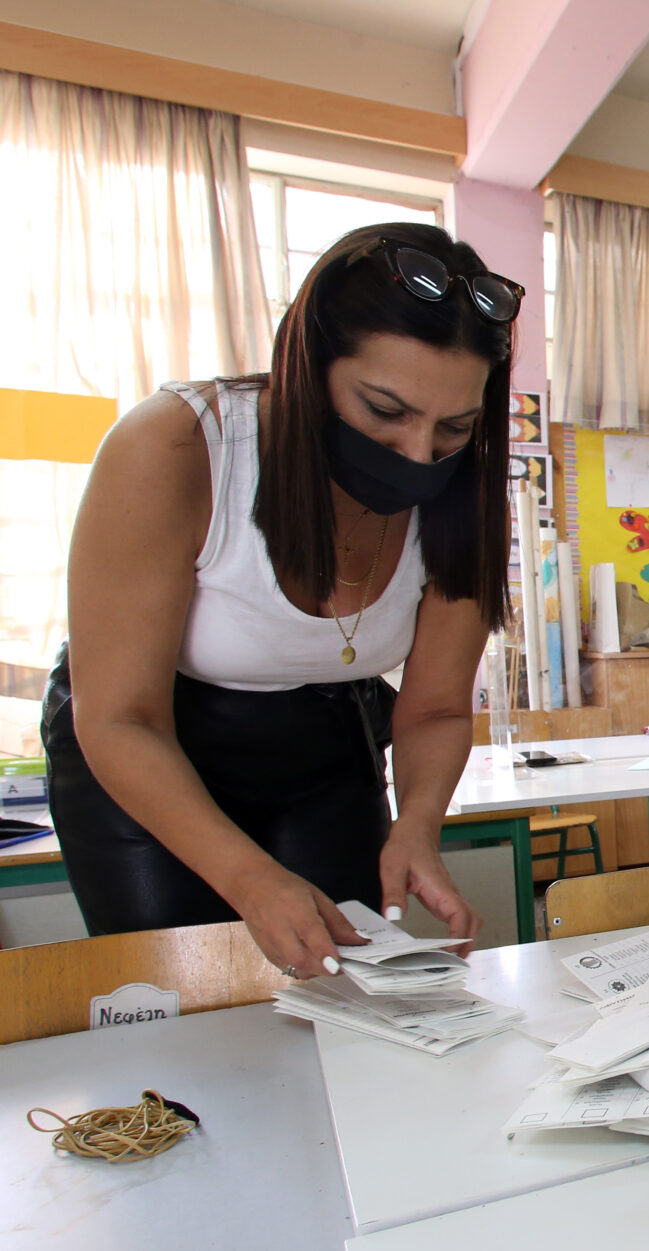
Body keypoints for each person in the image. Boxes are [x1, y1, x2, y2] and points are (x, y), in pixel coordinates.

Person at [42, 223, 519, 979]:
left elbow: (433, 709)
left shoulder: (466, 492)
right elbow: (120, 717)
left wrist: (418, 825)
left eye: (454, 426)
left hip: (325, 736)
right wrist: (249, 878)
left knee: (343, 985)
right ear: (307, 364)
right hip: (149, 738)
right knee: (187, 988)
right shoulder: (175, 447)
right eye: (384, 410)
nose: (418, 454)